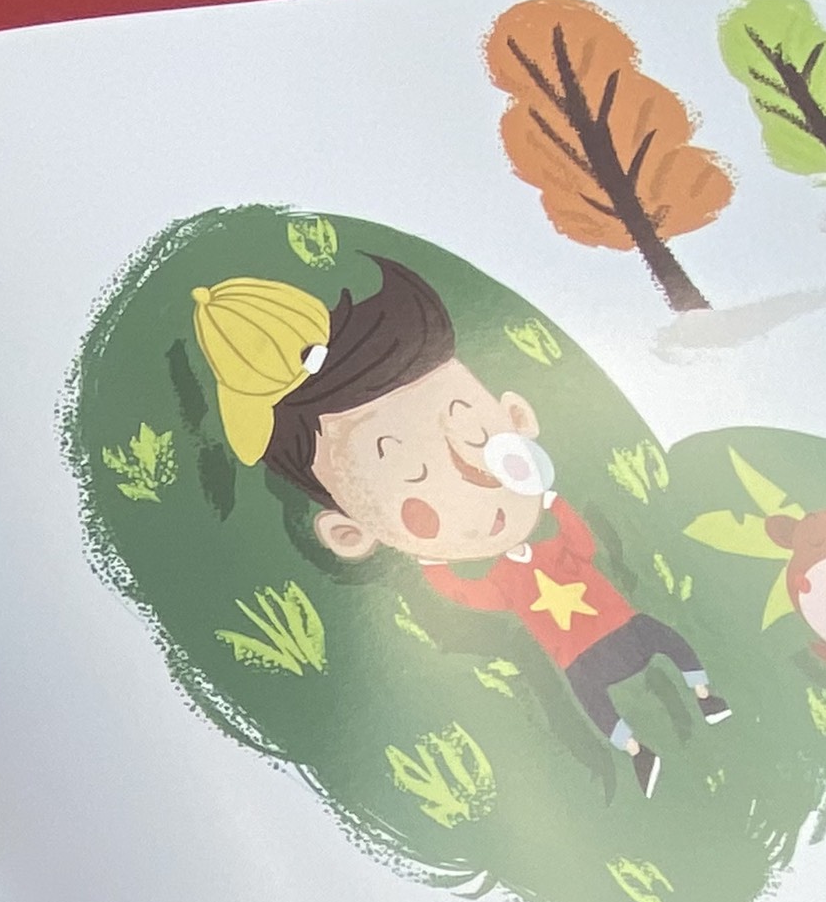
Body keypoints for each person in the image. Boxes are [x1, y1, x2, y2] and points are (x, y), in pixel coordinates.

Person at [192, 260, 730, 793]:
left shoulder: (540, 554)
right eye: (414, 477)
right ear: (349, 533)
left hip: (621, 624)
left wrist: (554, 503)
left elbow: (579, 547)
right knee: (597, 699)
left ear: (517, 417)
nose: (471, 490)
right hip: (580, 656)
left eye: (475, 436)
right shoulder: (504, 582)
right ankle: (637, 751)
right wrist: (432, 563)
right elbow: (470, 595)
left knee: (669, 643)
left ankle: (705, 697)